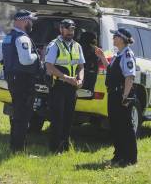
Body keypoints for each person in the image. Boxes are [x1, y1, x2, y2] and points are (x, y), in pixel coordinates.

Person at [95, 28, 138, 166]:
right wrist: (102, 56)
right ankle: (119, 155)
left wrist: (125, 96)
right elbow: (111, 70)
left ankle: (129, 158)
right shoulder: (118, 54)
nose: (113, 38)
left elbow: (129, 77)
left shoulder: (127, 55)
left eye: (115, 36)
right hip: (114, 94)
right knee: (115, 125)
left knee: (125, 126)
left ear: (122, 39)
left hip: (122, 94)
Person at [0, 9, 40, 152]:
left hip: (12, 79)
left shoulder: (7, 37)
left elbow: (1, 59)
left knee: (17, 114)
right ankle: (18, 149)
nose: (31, 24)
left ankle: (14, 146)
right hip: (23, 80)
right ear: (24, 21)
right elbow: (26, 60)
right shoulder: (23, 38)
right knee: (23, 115)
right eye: (30, 21)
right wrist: (39, 55)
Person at [45, 19, 85, 153]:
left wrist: (80, 79)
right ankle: (55, 148)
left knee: (69, 118)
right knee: (57, 119)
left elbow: (81, 66)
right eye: (67, 29)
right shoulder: (54, 45)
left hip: (72, 88)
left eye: (72, 29)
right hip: (58, 86)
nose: (70, 32)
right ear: (61, 29)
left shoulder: (77, 46)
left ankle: (65, 146)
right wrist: (67, 78)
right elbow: (49, 67)